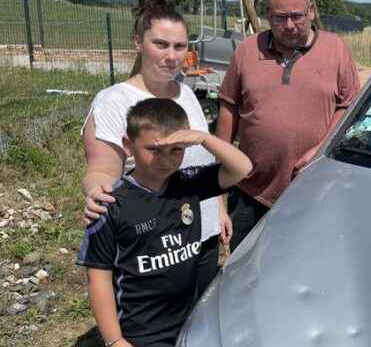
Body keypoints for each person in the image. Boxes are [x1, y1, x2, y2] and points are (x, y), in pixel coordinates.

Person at [76, 98, 252, 347]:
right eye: (154, 150)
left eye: (176, 150)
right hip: (143, 332)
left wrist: (205, 138)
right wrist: (115, 340)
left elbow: (242, 168)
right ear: (128, 145)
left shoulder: (188, 182)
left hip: (191, 319)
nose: (166, 160)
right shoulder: (110, 204)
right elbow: (98, 277)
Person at [81, 0, 231, 251]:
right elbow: (102, 168)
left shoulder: (186, 93)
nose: (172, 56)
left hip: (201, 231)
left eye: (180, 46)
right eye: (160, 44)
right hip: (155, 239)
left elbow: (203, 161)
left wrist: (218, 209)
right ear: (138, 42)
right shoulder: (114, 102)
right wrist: (96, 189)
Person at [217, 0, 360, 250]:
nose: (290, 25)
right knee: (244, 267)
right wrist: (219, 183)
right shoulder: (247, 50)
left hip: (313, 189)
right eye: (280, 18)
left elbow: (349, 105)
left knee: (304, 263)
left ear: (311, 12)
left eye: (297, 16)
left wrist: (321, 148)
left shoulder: (335, 49)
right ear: (268, 16)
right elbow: (228, 107)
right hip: (251, 190)